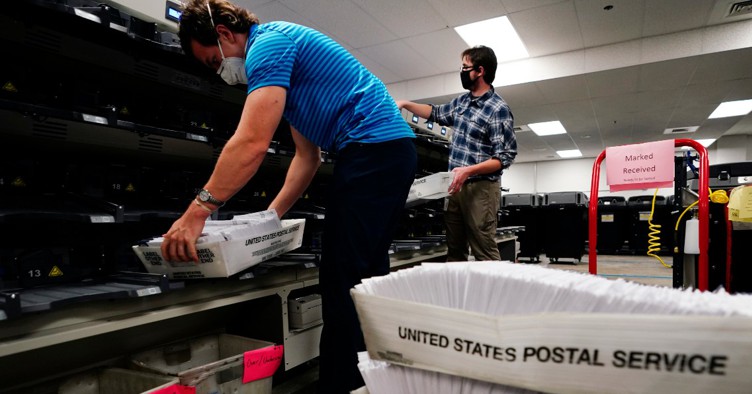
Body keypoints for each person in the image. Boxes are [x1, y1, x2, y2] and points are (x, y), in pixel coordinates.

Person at [162, 1, 416, 392]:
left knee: (342, 279)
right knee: (361, 275)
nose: (220, 73)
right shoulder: (286, 62)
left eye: (214, 62)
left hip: (373, 150)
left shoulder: (268, 45)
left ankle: (344, 384)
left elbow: (250, 143)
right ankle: (374, 375)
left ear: (225, 35)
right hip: (384, 153)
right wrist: (268, 219)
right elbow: (306, 158)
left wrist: (197, 212)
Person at [397, 46, 517, 262]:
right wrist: (405, 104)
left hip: (481, 189)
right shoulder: (462, 102)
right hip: (454, 186)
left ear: (480, 71)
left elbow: (504, 157)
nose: (461, 71)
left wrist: (469, 171)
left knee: (484, 250)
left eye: (465, 67)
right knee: (455, 249)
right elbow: (435, 113)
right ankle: (459, 294)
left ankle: (492, 295)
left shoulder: (497, 108)